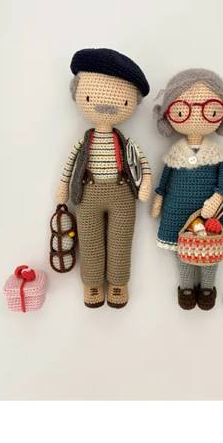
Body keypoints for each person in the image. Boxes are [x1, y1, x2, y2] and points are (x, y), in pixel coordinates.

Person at [57, 48, 151, 308]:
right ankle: (92, 284)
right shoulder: (85, 141)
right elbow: (71, 164)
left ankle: (119, 283)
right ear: (78, 93)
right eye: (92, 95)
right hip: (88, 195)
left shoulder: (126, 143)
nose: (107, 104)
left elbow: (142, 163)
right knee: (89, 242)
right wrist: (63, 186)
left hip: (122, 195)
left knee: (121, 242)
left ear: (132, 102)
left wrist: (145, 183)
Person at [151, 69, 223, 310]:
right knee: (182, 248)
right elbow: (165, 178)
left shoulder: (216, 154)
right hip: (177, 210)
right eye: (183, 110)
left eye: (209, 109)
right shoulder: (175, 152)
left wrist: (218, 196)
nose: (196, 115)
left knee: (211, 245)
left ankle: (207, 287)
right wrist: (159, 196)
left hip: (212, 212)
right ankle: (186, 287)